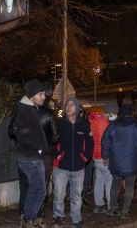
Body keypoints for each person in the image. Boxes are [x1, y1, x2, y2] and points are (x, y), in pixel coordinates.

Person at [11, 86, 58, 227]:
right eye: (41, 94)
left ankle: (29, 218)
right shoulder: (27, 110)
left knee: (35, 189)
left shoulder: (31, 109)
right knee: (36, 189)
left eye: (44, 94)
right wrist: (38, 147)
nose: (44, 96)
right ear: (32, 95)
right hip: (33, 157)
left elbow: (15, 130)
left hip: (34, 155)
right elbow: (13, 130)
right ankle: (29, 219)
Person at [52, 97, 93, 228]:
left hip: (78, 167)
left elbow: (90, 142)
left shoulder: (84, 124)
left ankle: (76, 219)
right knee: (59, 194)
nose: (69, 107)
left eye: (72, 105)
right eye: (67, 105)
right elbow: (51, 141)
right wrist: (58, 155)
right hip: (61, 166)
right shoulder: (59, 123)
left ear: (78, 108)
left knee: (76, 196)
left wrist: (85, 157)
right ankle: (58, 215)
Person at [101, 103, 137, 218]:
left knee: (115, 185)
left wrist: (105, 156)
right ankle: (125, 211)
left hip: (116, 162)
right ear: (132, 113)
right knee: (129, 187)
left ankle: (113, 208)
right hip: (131, 163)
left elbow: (105, 141)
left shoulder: (113, 125)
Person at [90, 103, 114, 214]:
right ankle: (110, 206)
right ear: (110, 113)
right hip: (104, 156)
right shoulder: (105, 124)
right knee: (109, 180)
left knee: (99, 180)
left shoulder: (94, 121)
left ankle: (98, 204)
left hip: (95, 155)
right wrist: (107, 155)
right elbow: (106, 142)